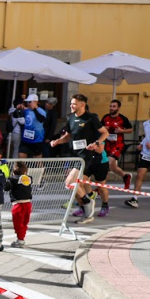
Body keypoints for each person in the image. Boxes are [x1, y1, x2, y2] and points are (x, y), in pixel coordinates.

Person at [53, 94, 110, 223]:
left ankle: (88, 203)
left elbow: (105, 133)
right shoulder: (70, 118)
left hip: (85, 156)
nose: (71, 106)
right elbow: (68, 136)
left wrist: (96, 144)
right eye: (71, 103)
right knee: (75, 185)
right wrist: (57, 141)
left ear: (82, 105)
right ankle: (87, 209)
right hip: (73, 155)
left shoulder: (91, 118)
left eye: (73, 104)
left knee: (70, 182)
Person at [101, 99, 133, 189]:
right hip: (107, 144)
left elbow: (130, 129)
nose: (111, 108)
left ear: (118, 108)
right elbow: (99, 128)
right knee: (113, 167)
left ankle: (101, 187)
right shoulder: (105, 117)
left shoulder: (122, 118)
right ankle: (125, 176)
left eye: (114, 106)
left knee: (107, 164)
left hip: (117, 145)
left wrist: (122, 130)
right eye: (110, 106)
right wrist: (103, 128)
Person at [8, 161, 33, 248]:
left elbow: (6, 187)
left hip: (18, 205)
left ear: (13, 172)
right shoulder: (29, 178)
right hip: (28, 204)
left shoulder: (13, 179)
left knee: (18, 224)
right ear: (25, 172)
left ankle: (20, 240)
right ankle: (21, 238)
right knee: (24, 222)